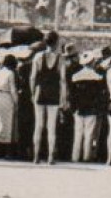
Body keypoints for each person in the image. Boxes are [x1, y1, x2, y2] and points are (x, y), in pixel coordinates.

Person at [29, 32, 66, 164]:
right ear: (56, 43)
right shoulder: (60, 59)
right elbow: (62, 81)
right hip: (54, 92)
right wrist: (64, 98)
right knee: (51, 127)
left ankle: (36, 156)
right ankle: (50, 156)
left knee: (38, 126)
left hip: (40, 92)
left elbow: (33, 77)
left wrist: (32, 93)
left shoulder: (38, 57)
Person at [69, 53, 107, 162]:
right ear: (92, 62)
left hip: (78, 108)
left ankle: (75, 156)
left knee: (78, 133)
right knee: (89, 134)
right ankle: (87, 156)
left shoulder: (75, 76)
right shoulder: (97, 77)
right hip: (91, 108)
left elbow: (72, 95)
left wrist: (73, 108)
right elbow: (99, 95)